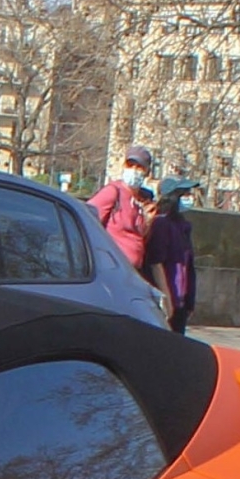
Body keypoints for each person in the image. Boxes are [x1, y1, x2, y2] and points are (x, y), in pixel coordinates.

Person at [143, 176, 199, 336]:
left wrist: (189, 302)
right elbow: (156, 263)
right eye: (183, 194)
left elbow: (188, 267)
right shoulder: (161, 224)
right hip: (167, 301)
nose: (188, 197)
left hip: (180, 301)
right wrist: (167, 300)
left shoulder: (182, 226)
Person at [89, 142, 155, 267]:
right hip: (111, 267)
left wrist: (148, 222)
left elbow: (139, 238)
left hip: (132, 271)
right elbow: (88, 219)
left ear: (147, 172)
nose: (134, 170)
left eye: (140, 167)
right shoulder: (113, 191)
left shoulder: (144, 200)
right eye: (130, 165)